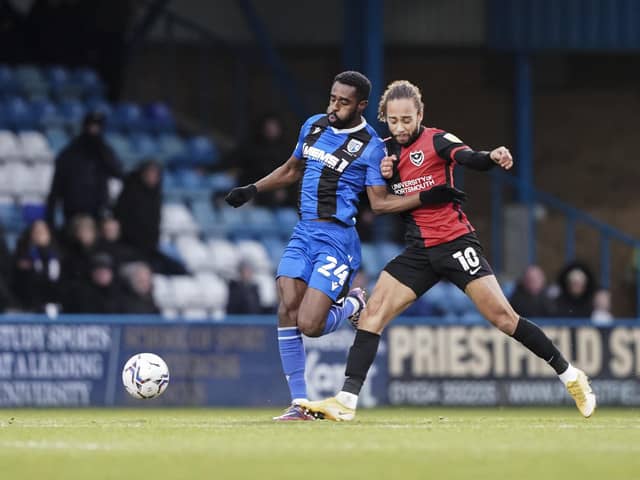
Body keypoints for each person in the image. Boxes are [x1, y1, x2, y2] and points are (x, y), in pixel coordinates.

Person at [298, 80, 596, 421]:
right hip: (418, 251)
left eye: (407, 119)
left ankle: (570, 375)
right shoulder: (383, 153)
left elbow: (468, 157)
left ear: (420, 115)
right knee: (372, 315)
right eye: (393, 121)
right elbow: (375, 196)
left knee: (504, 319)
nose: (400, 127)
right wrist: (382, 175)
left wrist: (492, 157)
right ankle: (347, 401)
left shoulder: (437, 140)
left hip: (455, 243)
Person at [225, 72, 458, 421]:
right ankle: (299, 404)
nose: (334, 106)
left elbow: (379, 204)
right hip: (303, 232)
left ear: (361, 105)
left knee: (311, 325)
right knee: (286, 305)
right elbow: (291, 170)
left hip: (337, 239)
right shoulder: (314, 126)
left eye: (343, 101)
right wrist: (252, 189)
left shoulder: (372, 145)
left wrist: (423, 197)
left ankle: (353, 302)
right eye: (332, 98)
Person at [45, 111, 123, 229]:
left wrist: (101, 148)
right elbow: (56, 186)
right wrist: (50, 218)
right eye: (91, 126)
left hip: (97, 211)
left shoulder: (103, 152)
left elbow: (117, 172)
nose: (94, 130)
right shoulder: (70, 153)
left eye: (98, 127)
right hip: (73, 212)